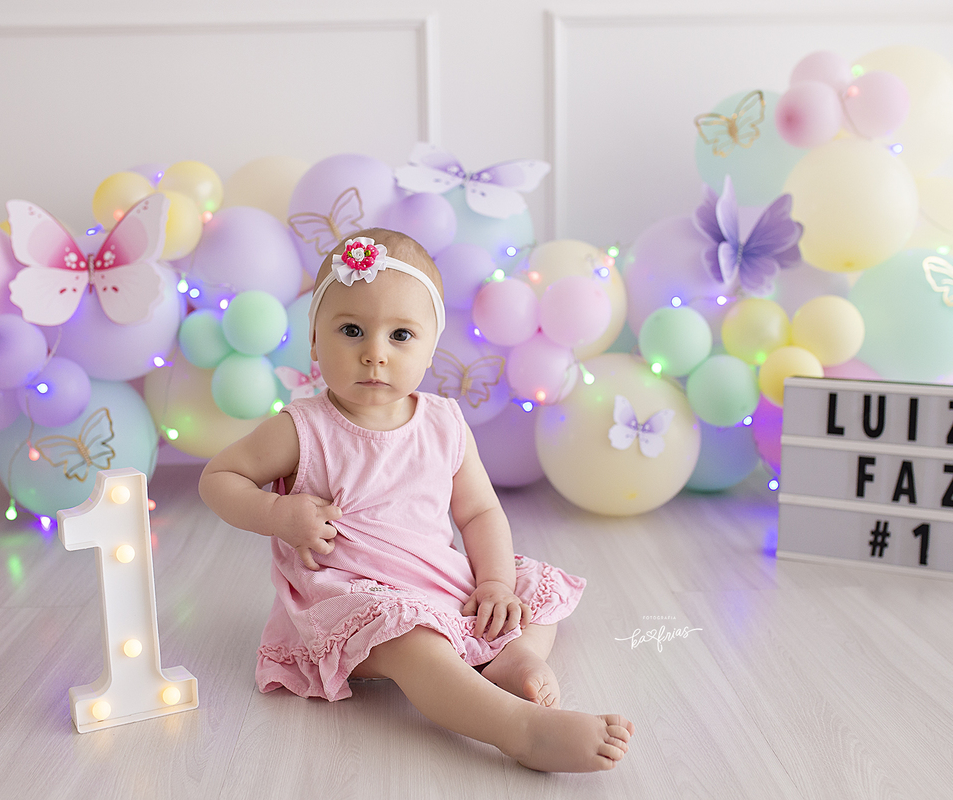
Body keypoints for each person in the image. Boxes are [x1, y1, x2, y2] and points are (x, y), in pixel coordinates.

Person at [199, 228, 633, 772]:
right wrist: (277, 514)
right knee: (415, 643)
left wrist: (495, 583)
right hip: (353, 599)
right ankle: (519, 730)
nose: (374, 354)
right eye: (351, 330)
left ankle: (513, 657)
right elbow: (219, 478)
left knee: (530, 594)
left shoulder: (444, 423)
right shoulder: (303, 429)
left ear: (431, 347)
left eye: (400, 335)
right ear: (313, 341)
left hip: (436, 579)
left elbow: (478, 513)